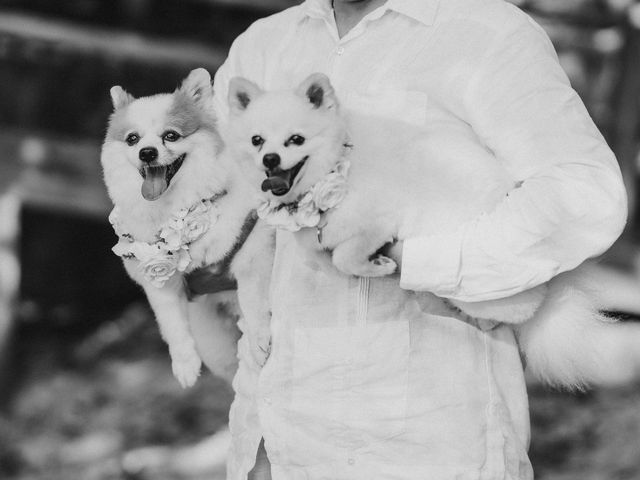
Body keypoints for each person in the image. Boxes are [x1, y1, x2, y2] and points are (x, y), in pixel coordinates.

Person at [201, 0, 628, 478]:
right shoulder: (262, 44)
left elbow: (583, 195)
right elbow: (218, 199)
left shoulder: (485, 32)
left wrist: (413, 257)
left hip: (427, 444)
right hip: (275, 436)